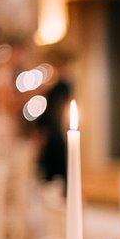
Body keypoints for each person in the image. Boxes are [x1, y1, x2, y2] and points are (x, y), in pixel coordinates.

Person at [36, 51, 72, 184]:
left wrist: (45, 129)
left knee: (55, 168)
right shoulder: (57, 83)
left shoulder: (63, 85)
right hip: (52, 129)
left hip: (53, 130)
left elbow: (54, 111)